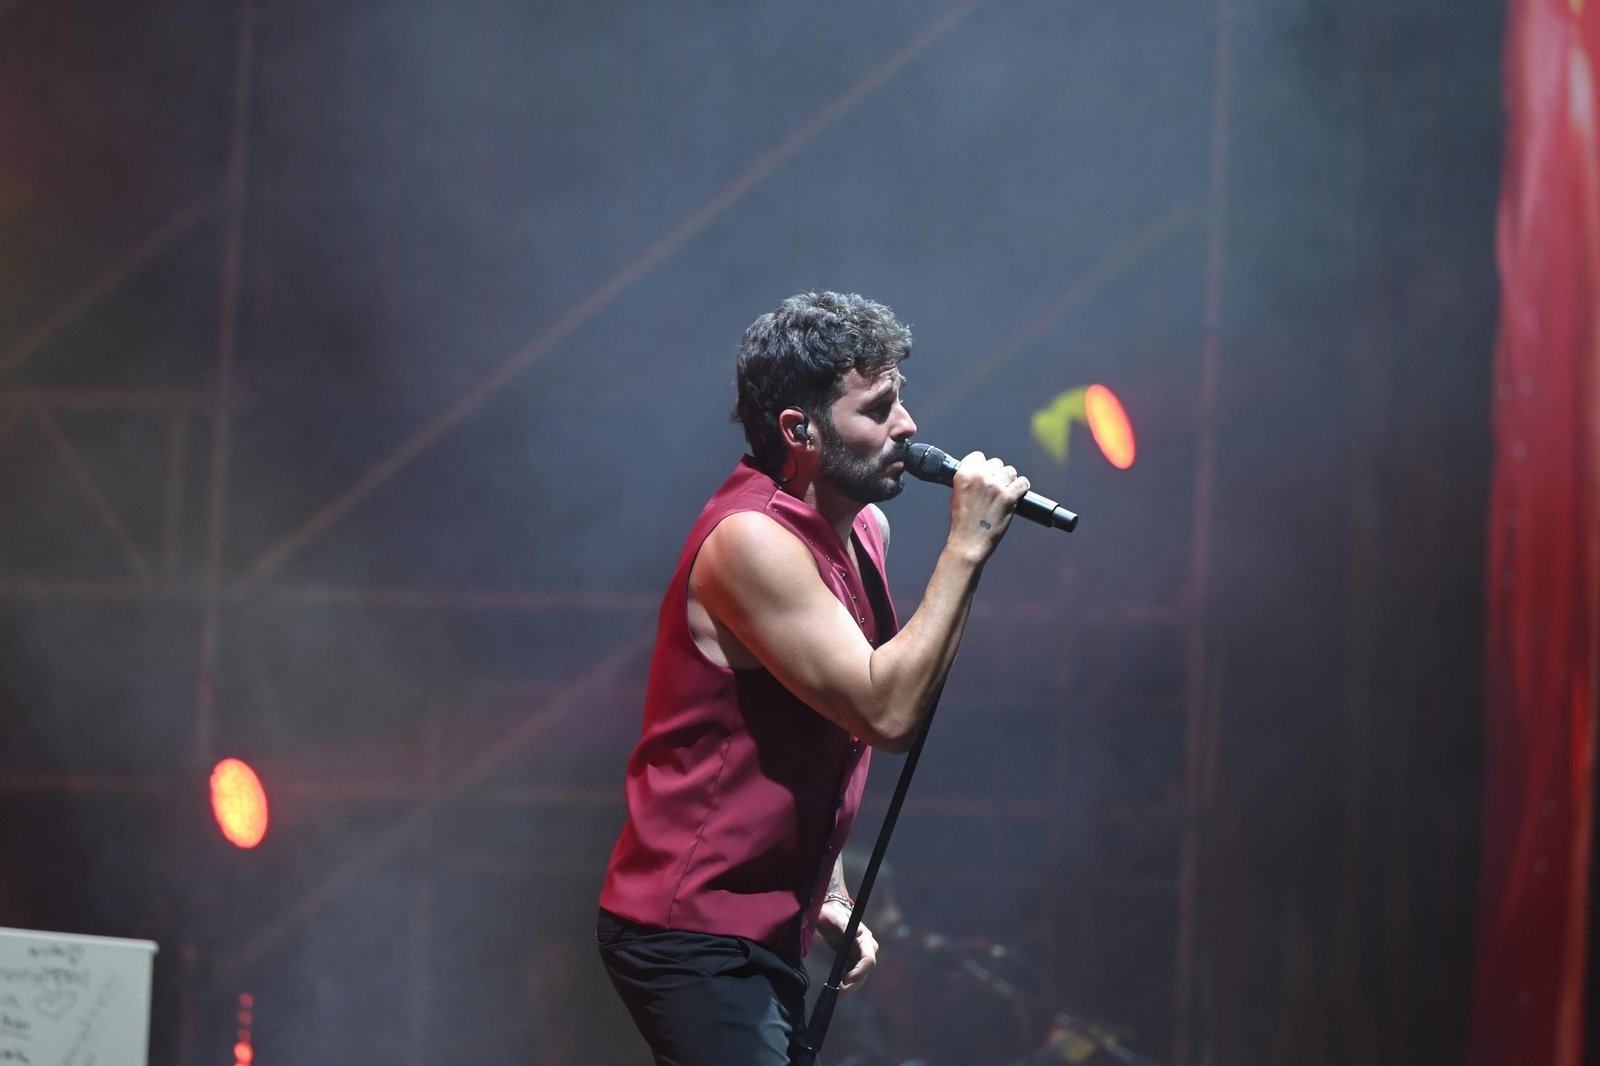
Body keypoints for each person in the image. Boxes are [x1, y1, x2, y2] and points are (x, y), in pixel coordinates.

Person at [597, 291, 1032, 1065]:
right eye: (879, 408)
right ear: (800, 430)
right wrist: (966, 547)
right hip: (691, 929)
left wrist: (825, 886)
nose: (908, 426)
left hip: (764, 930)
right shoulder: (751, 542)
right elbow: (886, 714)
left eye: (901, 399)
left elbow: (818, 728)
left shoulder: (865, 529)